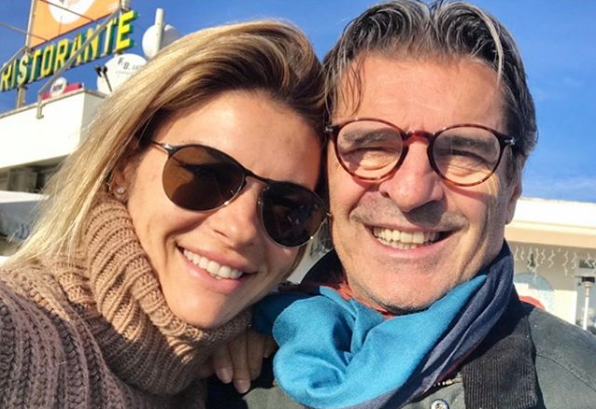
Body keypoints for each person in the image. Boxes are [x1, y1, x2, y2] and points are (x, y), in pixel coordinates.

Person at [208, 1, 596, 408]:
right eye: (372, 144)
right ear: (325, 174)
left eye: (463, 150)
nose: (411, 192)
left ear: (513, 187)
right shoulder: (213, 370)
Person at [0, 20, 329, 408]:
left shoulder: (249, 367)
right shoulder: (21, 333)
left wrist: (276, 321)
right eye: (206, 175)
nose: (241, 230)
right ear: (124, 167)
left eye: (287, 207)